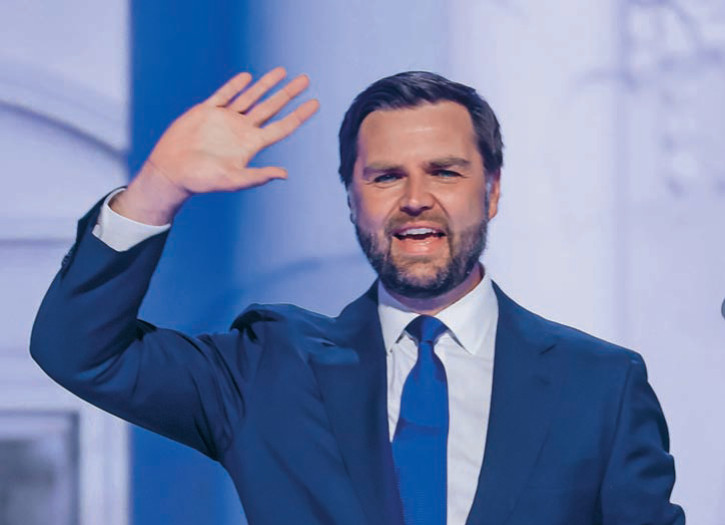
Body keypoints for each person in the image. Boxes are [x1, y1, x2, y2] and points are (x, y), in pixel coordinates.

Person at [30, 67, 685, 524]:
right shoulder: (265, 369)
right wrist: (157, 188)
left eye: (444, 172)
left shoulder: (599, 384)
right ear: (351, 198)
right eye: (385, 176)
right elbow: (80, 352)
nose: (416, 198)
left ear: (491, 191)